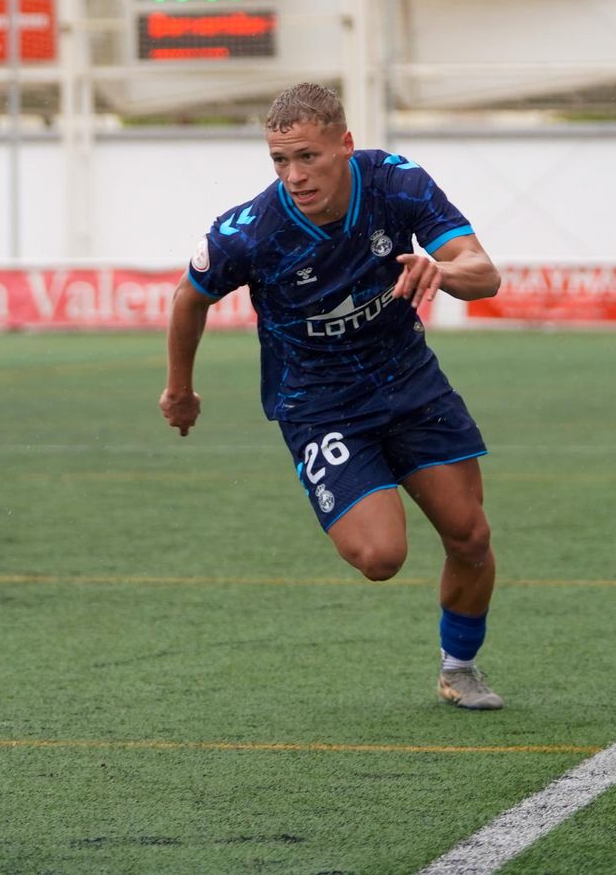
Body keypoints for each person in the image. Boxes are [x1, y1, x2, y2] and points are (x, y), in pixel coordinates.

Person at [158, 83, 506, 710]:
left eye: (308, 157)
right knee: (380, 557)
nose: (294, 175)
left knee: (470, 537)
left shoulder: (397, 184)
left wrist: (441, 271)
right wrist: (179, 388)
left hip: (411, 386)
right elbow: (190, 298)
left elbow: (484, 274)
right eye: (279, 161)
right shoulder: (249, 232)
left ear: (344, 145)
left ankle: (460, 668)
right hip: (321, 406)